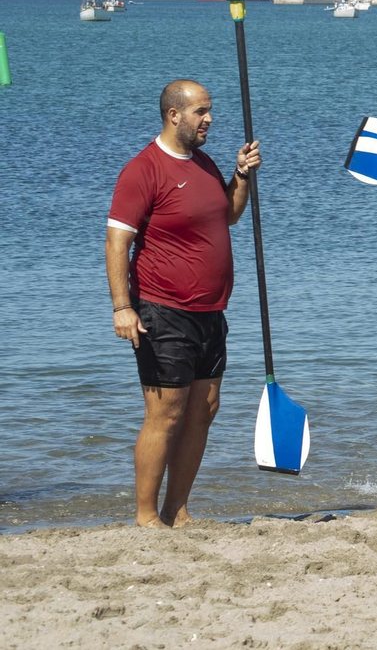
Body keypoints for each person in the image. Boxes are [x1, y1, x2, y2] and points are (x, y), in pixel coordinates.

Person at [105, 79, 261, 528]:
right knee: (166, 413)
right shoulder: (143, 169)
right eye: (201, 112)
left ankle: (179, 509)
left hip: (211, 312)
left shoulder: (205, 163)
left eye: (209, 110)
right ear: (174, 115)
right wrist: (122, 307)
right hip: (161, 310)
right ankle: (146, 515)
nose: (209, 118)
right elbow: (117, 242)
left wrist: (241, 177)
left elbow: (229, 214)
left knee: (203, 409)